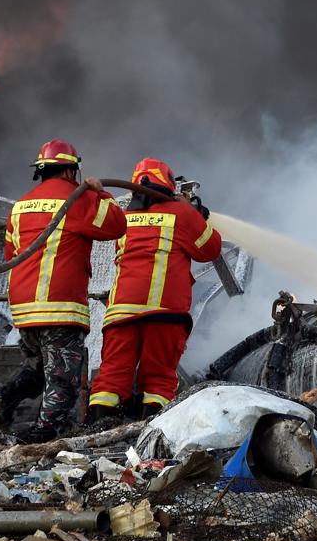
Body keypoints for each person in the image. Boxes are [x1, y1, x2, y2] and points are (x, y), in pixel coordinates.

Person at [0, 139, 126, 442]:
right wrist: (99, 191)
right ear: (71, 172)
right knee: (62, 377)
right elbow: (117, 225)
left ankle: (6, 395)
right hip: (59, 305)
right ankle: (46, 435)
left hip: (24, 309)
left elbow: (11, 253)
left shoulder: (20, 205)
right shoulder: (77, 199)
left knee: (39, 370)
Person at [89, 157, 220, 421]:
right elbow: (210, 249)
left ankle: (96, 432)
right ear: (168, 185)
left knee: (112, 375)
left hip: (121, 313)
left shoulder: (125, 220)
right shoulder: (181, 215)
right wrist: (196, 214)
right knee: (158, 379)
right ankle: (152, 434)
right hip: (164, 312)